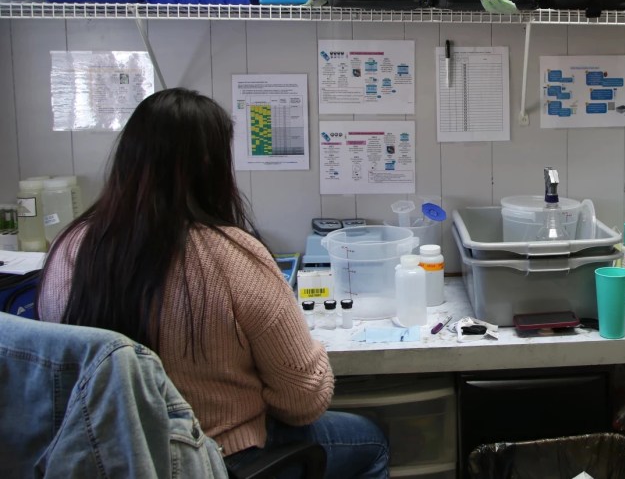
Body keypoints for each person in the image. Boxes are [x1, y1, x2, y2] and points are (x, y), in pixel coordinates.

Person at [39, 88, 389, 478]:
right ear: (212, 165)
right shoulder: (231, 255)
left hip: (107, 459)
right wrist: (309, 351)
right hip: (217, 457)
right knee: (371, 440)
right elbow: (303, 401)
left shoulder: (67, 248)